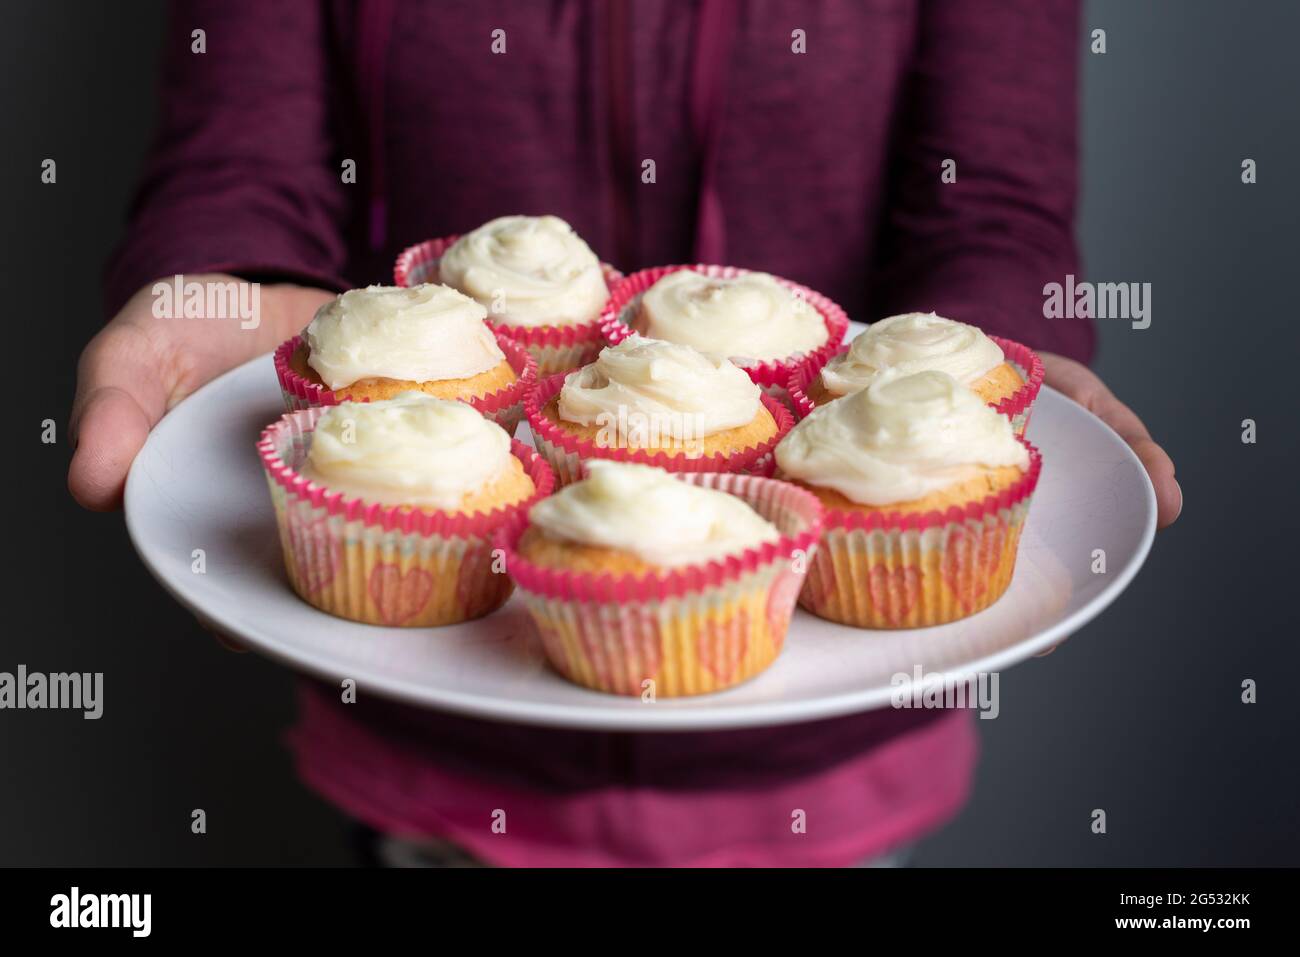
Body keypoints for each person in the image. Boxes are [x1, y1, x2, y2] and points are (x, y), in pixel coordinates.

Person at [68, 1, 1180, 867]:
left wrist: (970, 379)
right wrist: (223, 287)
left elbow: (987, 196)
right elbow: (242, 154)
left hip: (829, 755)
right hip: (435, 733)